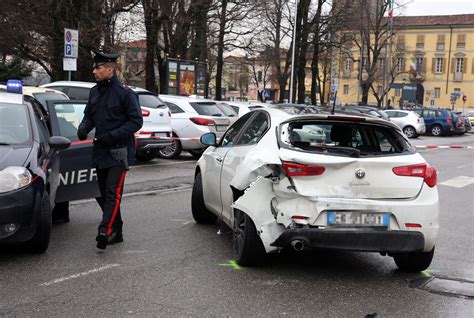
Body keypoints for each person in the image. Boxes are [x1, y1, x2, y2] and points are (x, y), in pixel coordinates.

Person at [77, 51, 143, 250]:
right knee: (103, 195)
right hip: (100, 151)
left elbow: (136, 121)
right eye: (95, 67)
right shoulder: (94, 92)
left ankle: (104, 230)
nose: (94, 71)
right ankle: (118, 229)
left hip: (118, 151)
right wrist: (83, 128)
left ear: (110, 70)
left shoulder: (125, 93)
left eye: (98, 68)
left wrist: (112, 135)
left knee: (112, 192)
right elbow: (89, 115)